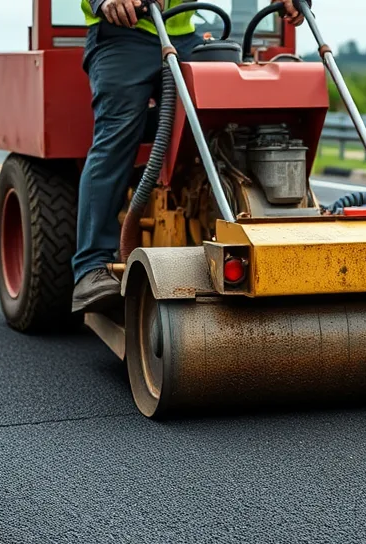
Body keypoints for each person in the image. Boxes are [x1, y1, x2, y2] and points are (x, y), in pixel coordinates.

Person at [72, 0, 306, 314]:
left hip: (183, 36)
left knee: (232, 112)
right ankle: (90, 267)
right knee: (117, 135)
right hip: (124, 33)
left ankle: (245, 229)